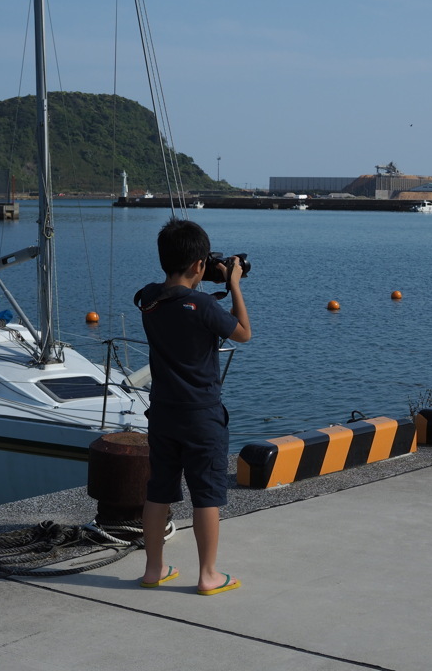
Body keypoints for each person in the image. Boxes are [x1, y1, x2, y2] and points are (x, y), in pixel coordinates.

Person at [134, 218, 251, 595]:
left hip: (163, 413)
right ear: (200, 265)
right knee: (206, 494)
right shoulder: (201, 306)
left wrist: (204, 271)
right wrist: (232, 283)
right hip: (201, 414)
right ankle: (208, 575)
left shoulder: (149, 299)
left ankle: (153, 569)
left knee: (158, 491)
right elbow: (243, 333)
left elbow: (170, 290)